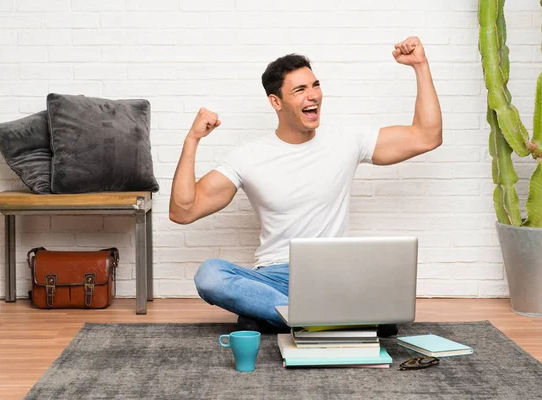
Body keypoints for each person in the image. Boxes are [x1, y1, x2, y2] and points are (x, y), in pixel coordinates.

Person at [169, 36, 442, 335]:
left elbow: (426, 136)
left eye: (315, 85)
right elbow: (183, 211)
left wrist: (420, 65)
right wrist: (192, 140)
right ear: (276, 101)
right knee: (210, 275)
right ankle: (330, 319)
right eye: (300, 90)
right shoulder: (248, 156)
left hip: (333, 276)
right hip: (273, 276)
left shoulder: (347, 141)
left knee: (382, 280)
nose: (313, 96)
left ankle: (280, 316)